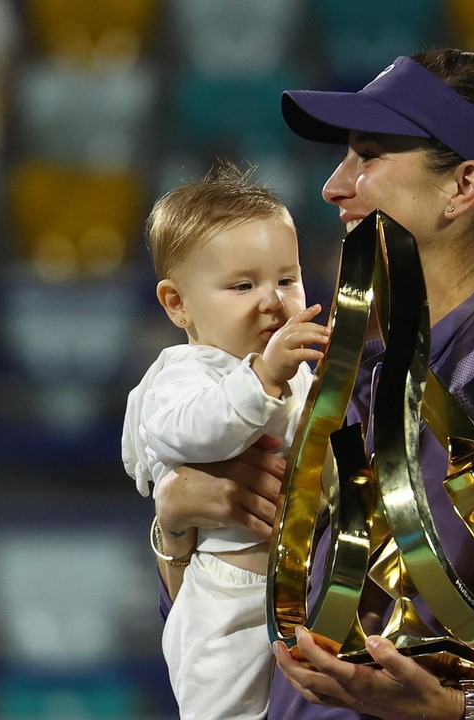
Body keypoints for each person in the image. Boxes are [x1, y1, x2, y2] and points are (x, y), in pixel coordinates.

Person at [154, 48, 474, 720]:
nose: (333, 187)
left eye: (367, 156)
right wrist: (176, 530)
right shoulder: (343, 376)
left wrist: (468, 705)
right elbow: (241, 642)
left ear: (462, 186)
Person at [121, 162, 330, 720]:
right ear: (177, 303)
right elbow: (193, 429)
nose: (272, 301)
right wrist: (263, 377)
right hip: (226, 590)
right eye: (242, 285)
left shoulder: (294, 367)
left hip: (304, 584)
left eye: (287, 279)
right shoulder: (184, 373)